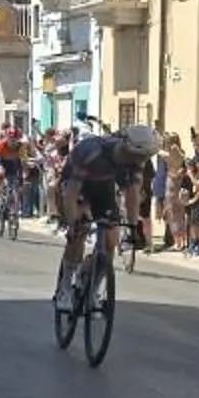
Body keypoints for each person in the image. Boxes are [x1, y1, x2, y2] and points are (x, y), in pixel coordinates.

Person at [52, 122, 160, 310]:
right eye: (140, 156)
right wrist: (72, 223)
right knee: (79, 231)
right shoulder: (93, 152)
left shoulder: (136, 162)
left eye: (146, 157)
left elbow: (132, 194)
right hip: (77, 185)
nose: (142, 161)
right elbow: (71, 195)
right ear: (128, 149)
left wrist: (133, 227)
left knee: (111, 240)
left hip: (103, 188)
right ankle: (64, 288)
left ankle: (93, 290)